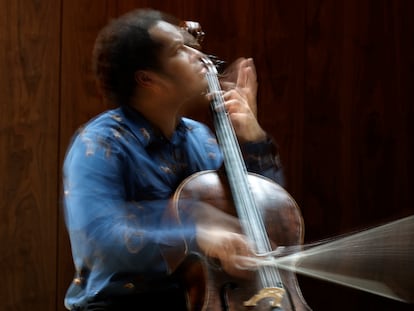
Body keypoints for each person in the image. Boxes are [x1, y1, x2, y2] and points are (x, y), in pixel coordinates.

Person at [63, 8, 285, 311]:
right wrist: (198, 235)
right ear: (148, 79)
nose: (200, 56)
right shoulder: (100, 144)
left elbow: (267, 216)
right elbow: (101, 239)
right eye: (180, 50)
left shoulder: (200, 139)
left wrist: (251, 140)